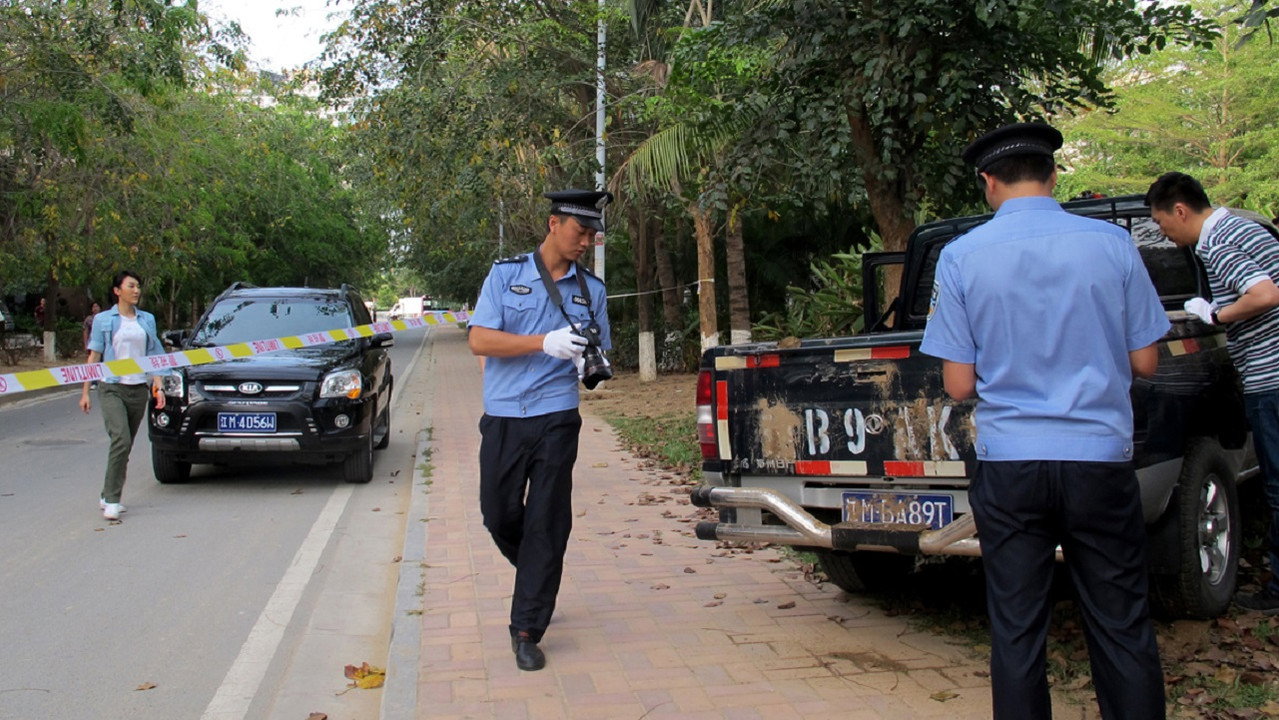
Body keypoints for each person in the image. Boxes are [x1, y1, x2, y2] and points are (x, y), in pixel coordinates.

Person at [920, 122, 1170, 719]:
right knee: (1121, 623)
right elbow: (1146, 362)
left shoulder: (960, 257)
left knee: (1017, 627)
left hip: (1012, 465)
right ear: (1054, 175)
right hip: (1099, 460)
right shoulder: (1112, 245)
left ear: (987, 182)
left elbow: (958, 384)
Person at [466, 188, 613, 671]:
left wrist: (588, 365)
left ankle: (527, 628)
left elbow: (602, 359)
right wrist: (542, 341)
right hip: (506, 413)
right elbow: (479, 340)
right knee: (499, 513)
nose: (586, 242)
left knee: (547, 520)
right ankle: (537, 573)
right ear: (554, 224)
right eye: (580, 231)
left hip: (556, 415)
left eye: (592, 235)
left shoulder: (593, 290)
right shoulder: (506, 275)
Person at [1146, 172, 1279, 614]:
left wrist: (1217, 314)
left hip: (1271, 378)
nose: (1166, 235)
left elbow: (1263, 293)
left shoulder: (1217, 242)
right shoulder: (1245, 228)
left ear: (1180, 210)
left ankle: (1277, 592)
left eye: (1163, 225)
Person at [79, 271, 168, 521]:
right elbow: (94, 356)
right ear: (118, 291)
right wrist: (86, 391)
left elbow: (155, 354)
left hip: (138, 389)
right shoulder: (103, 320)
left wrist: (158, 386)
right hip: (111, 388)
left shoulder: (146, 320)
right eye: (131, 286)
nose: (136, 290)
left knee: (125, 445)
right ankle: (113, 500)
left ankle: (107, 492)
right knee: (120, 439)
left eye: (138, 286)